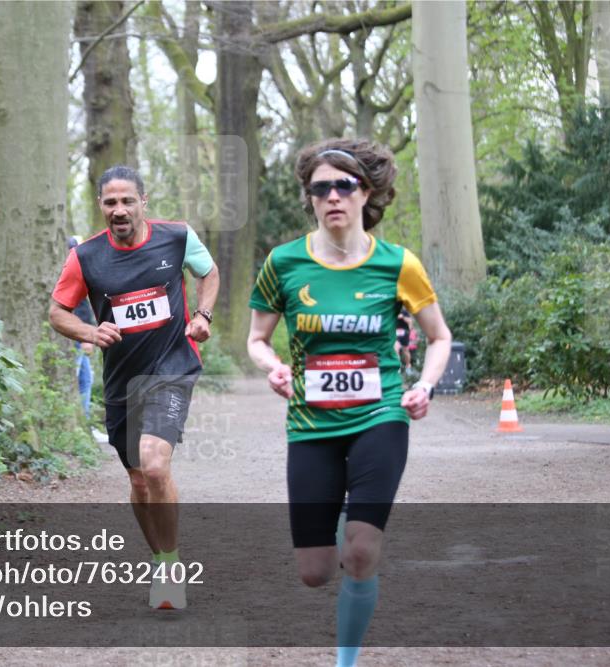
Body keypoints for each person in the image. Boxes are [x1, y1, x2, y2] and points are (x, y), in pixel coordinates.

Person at [246, 139, 452, 667]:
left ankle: (346, 660)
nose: (332, 196)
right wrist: (274, 367)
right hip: (310, 423)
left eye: (344, 185)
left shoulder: (397, 264)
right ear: (310, 199)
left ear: (367, 193)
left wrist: (423, 386)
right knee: (315, 572)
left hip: (380, 414)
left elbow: (439, 337)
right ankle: (346, 524)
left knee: (359, 552)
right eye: (320, 188)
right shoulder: (284, 262)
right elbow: (257, 338)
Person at [49, 165, 220, 610]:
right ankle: (161, 555)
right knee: (139, 482)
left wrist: (202, 316)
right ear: (101, 207)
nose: (119, 210)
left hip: (171, 366)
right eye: (110, 202)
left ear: (144, 201)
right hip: (121, 377)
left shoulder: (178, 237)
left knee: (155, 464)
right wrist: (89, 333)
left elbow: (210, 273)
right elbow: (57, 313)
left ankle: (170, 567)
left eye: (127, 201)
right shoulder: (85, 256)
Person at [66, 236, 109, 444]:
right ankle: (79, 428)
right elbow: (78, 306)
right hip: (75, 335)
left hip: (81, 333)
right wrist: (86, 337)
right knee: (78, 378)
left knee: (86, 379)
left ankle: (85, 425)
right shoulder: (72, 269)